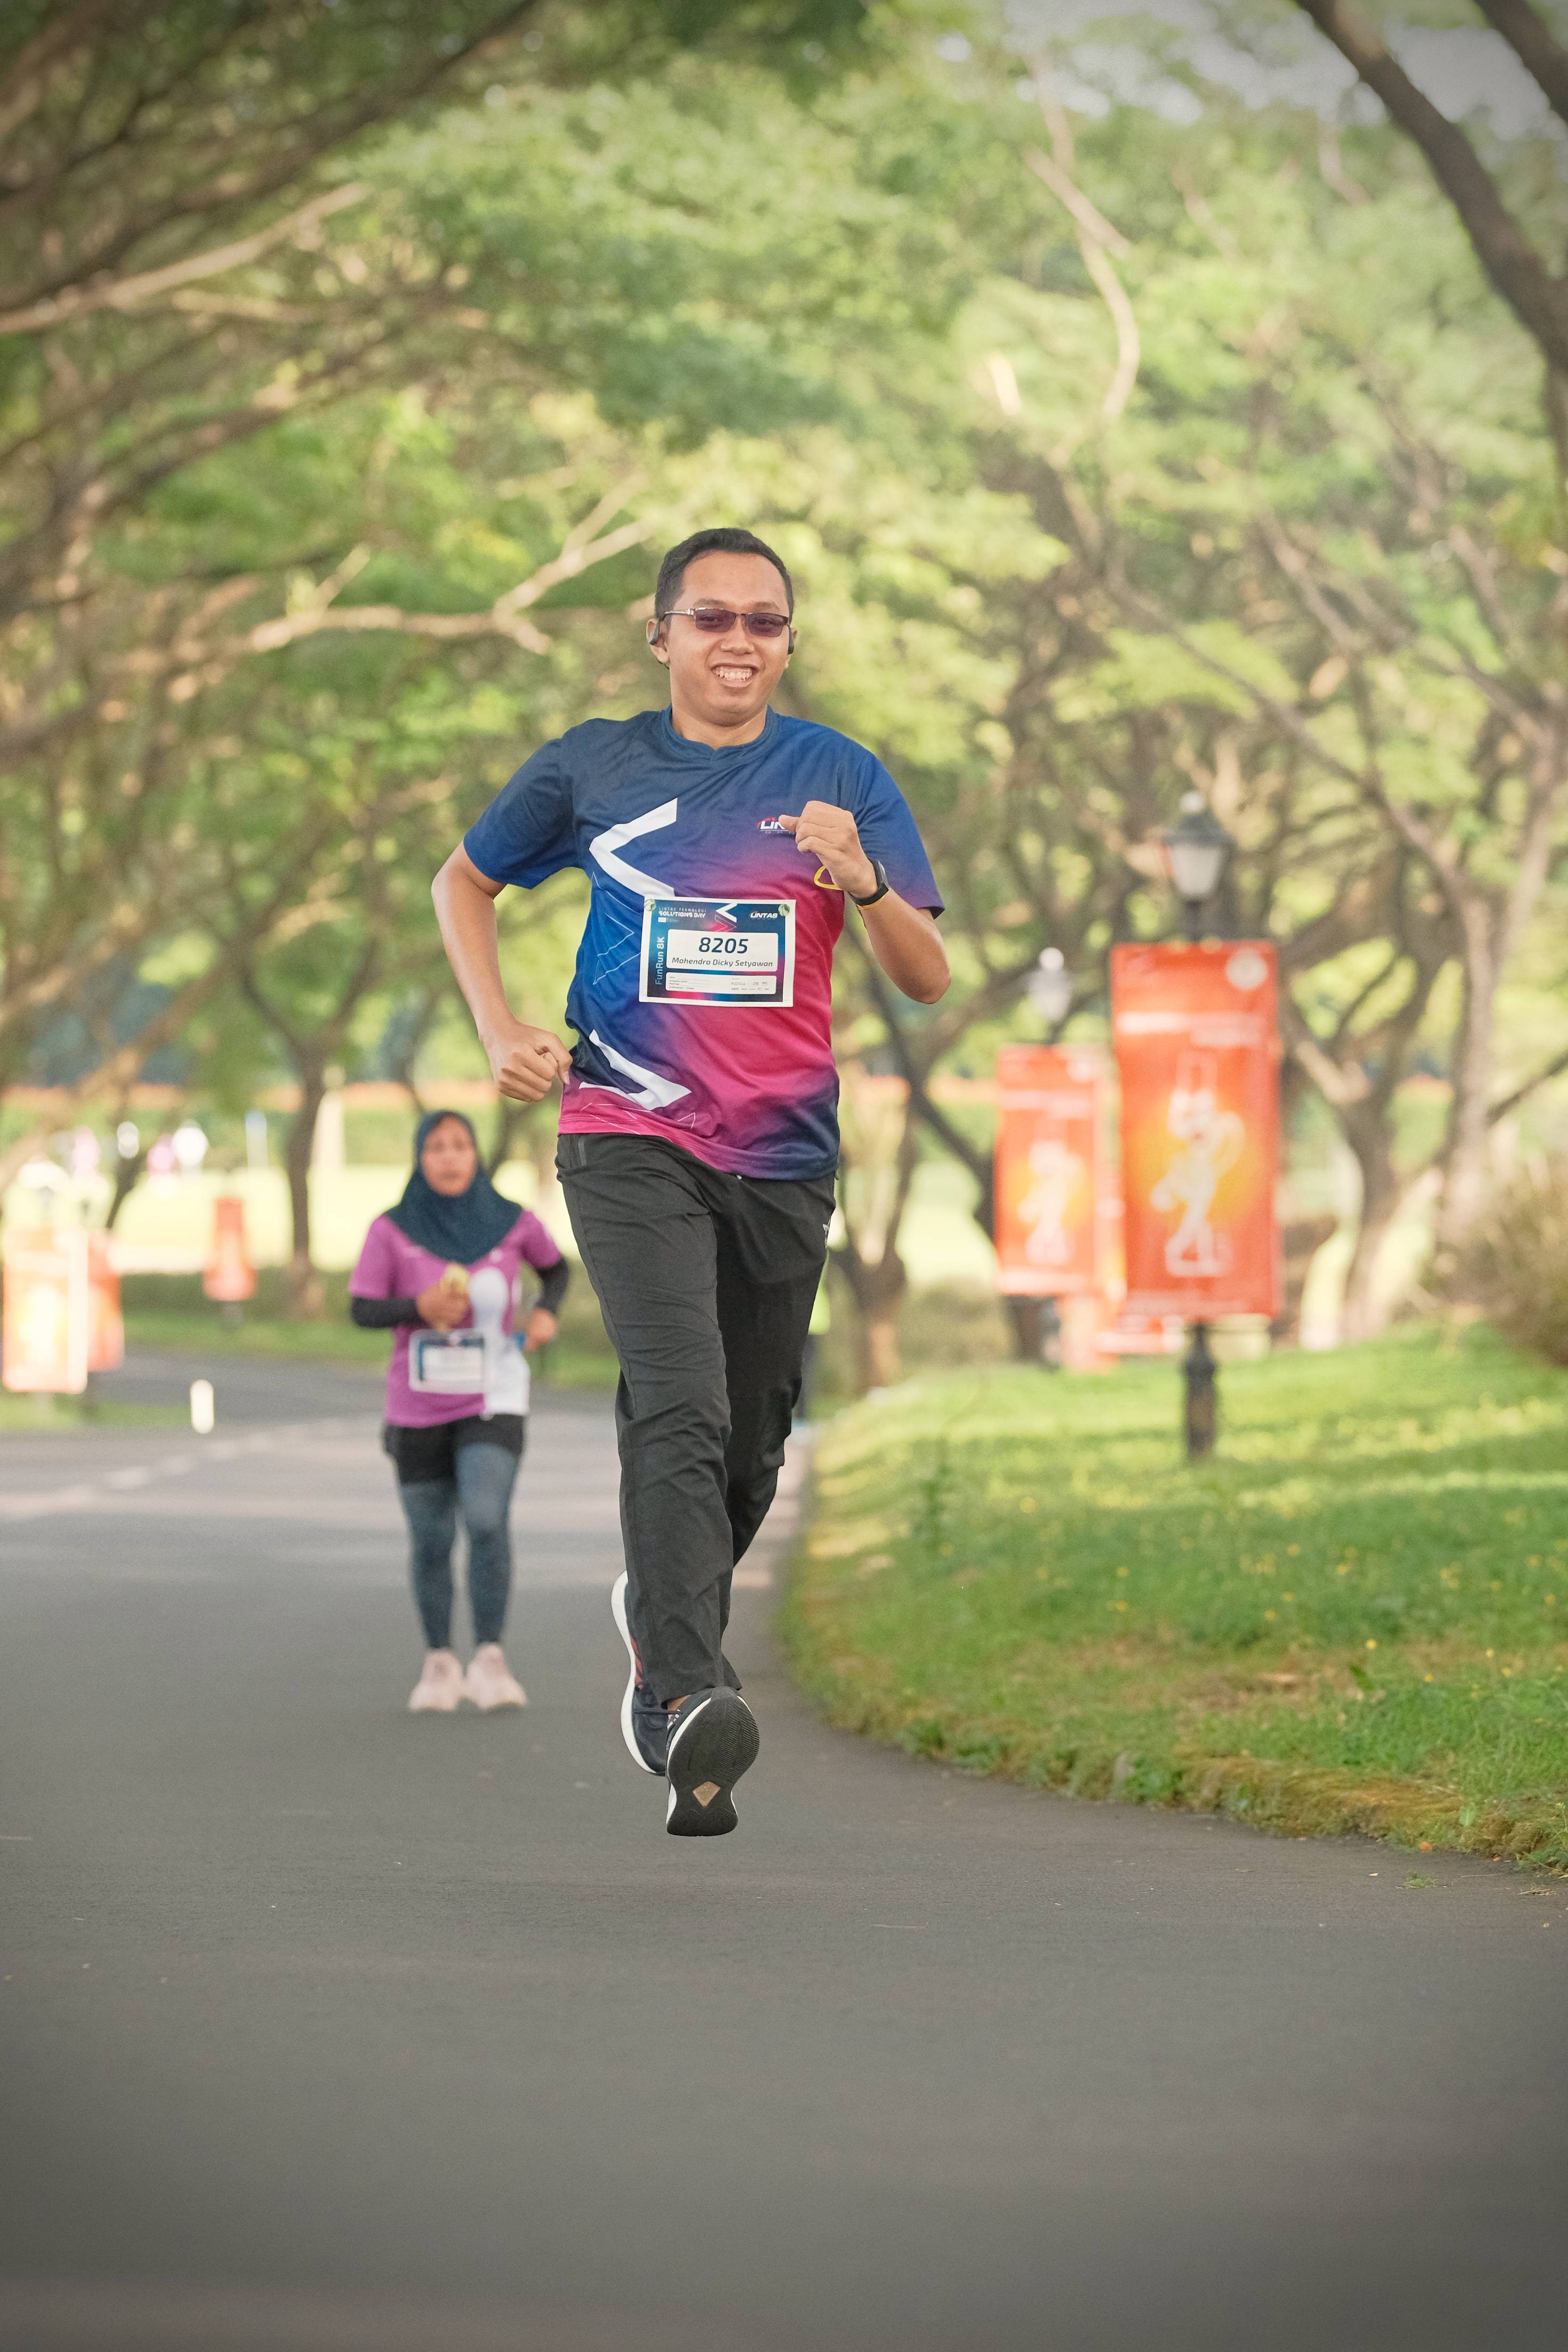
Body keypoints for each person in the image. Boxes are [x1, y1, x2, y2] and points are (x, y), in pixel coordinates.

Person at [432, 526, 946, 1835]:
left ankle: (658, 1609)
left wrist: (864, 880)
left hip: (783, 1153)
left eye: (764, 621)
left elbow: (925, 973)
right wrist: (497, 1027)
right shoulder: (592, 766)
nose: (738, 640)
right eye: (710, 617)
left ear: (787, 643)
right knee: (680, 1400)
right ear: (659, 634)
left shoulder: (840, 776)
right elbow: (464, 880)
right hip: (627, 1130)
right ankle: (681, 1693)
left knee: (755, 1434)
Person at [348, 1110, 569, 1714]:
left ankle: (490, 1659)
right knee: (430, 1538)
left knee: (486, 1518)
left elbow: (557, 1270)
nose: (449, 1157)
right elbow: (362, 1309)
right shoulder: (392, 1230)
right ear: (420, 1158)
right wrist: (415, 1306)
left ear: (476, 1156)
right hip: (416, 1406)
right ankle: (440, 1662)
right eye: (437, 1147)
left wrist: (545, 1312)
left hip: (495, 1396)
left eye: (461, 1145)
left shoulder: (512, 1222)